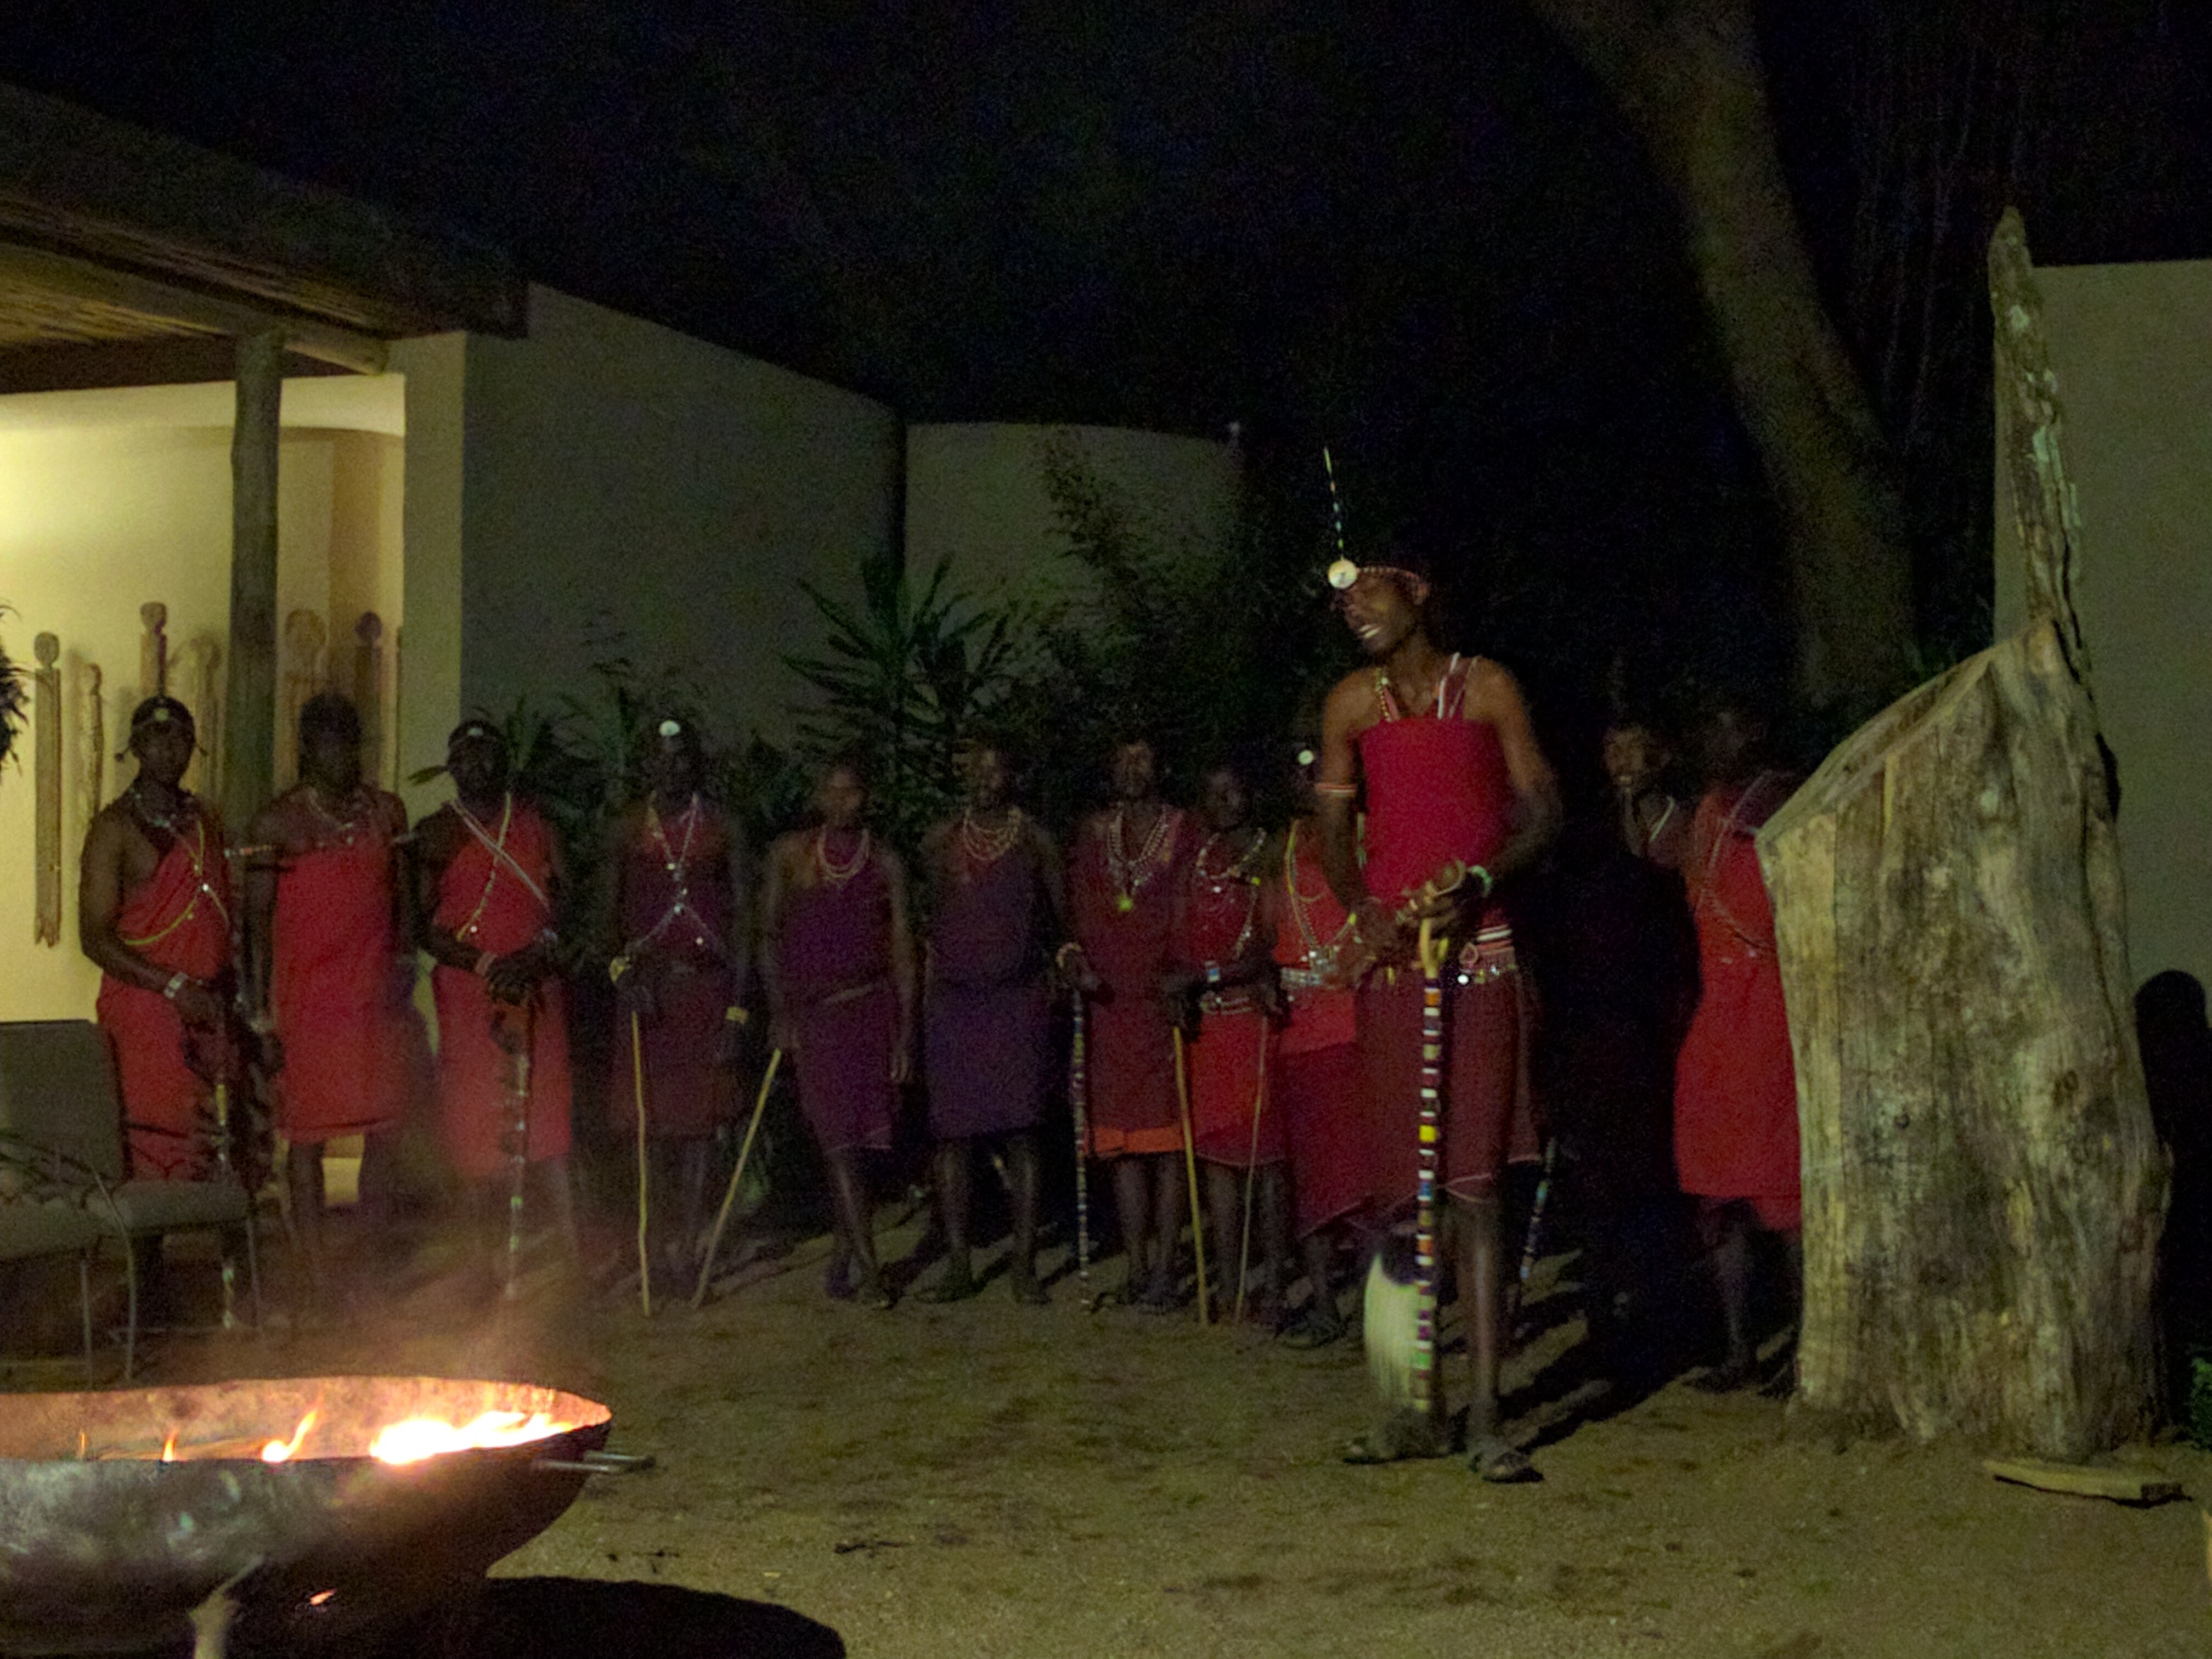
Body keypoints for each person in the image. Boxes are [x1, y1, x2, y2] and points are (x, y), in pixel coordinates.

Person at [1315, 551, 1561, 1479]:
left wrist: (1483, 881)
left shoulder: (1487, 687)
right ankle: (1401, 1403)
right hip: (1393, 967)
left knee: (1474, 1191)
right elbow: (1334, 832)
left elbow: (1542, 811)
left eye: (1368, 591)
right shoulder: (1350, 705)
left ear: (1416, 590)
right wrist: (1364, 906)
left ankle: (1488, 1412)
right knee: (1394, 1200)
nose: (1353, 610)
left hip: (1479, 955)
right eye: (1339, 603)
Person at [245, 692, 422, 1280]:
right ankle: (314, 1272)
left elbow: (407, 900)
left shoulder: (386, 814)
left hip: (374, 1004)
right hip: (309, 1010)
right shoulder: (276, 824)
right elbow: (255, 930)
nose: (343, 755)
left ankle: (371, 1262)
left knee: (384, 1133)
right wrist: (260, 1018)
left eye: (351, 741)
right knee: (307, 1141)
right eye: (329, 742)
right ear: (306, 748)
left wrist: (404, 968)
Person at [414, 719, 578, 1278]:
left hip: (538, 987)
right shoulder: (436, 833)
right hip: (469, 993)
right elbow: (422, 925)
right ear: (451, 765)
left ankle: (575, 1254)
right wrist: (486, 963)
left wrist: (536, 955)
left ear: (504, 763)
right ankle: (481, 1261)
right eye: (465, 754)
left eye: (487, 754)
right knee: (473, 1122)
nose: (476, 764)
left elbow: (567, 905)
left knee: (550, 1120)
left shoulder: (539, 827)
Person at [1672, 697, 1802, 1393]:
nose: (1714, 735)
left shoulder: (1782, 800)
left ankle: (1806, 1352)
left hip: (1772, 1011)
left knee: (1784, 1192)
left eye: (1727, 720)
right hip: (1718, 1012)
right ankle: (1739, 1347)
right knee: (1716, 1192)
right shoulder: (1708, 811)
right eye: (1710, 722)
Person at [763, 754, 914, 1307]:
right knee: (839, 1146)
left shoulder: (885, 862)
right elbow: (769, 938)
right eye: (832, 791)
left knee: (863, 1145)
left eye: (852, 792)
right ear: (818, 796)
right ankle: (872, 1272)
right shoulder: (790, 856)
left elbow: (902, 948)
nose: (842, 802)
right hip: (817, 1019)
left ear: (865, 797)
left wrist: (904, 1033)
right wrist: (780, 1013)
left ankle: (843, 1257)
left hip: (871, 1012)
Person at [918, 738, 1065, 1305]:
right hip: (954, 1003)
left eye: (995, 768)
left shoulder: (1034, 841)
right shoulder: (939, 842)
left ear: (1013, 776)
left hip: (1015, 1000)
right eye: (975, 770)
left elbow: (1059, 919)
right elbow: (931, 921)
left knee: (1023, 1133)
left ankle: (1025, 1267)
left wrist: (1060, 964)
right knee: (952, 1137)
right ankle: (958, 1265)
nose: (985, 780)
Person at [605, 717, 748, 1290]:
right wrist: (620, 975)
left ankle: (687, 1251)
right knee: (650, 1128)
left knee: (697, 1130)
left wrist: (738, 1009)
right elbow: (603, 920)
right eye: (662, 758)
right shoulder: (624, 829)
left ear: (697, 763)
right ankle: (654, 1247)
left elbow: (745, 925)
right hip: (647, 996)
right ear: (646, 765)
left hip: (705, 992)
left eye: (683, 757)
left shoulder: (723, 828)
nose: (673, 768)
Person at [80, 697, 242, 1182]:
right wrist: (172, 988)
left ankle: (215, 1255)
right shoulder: (114, 829)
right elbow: (93, 937)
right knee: (153, 1141)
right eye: (157, 738)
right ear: (136, 747)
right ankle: (148, 1256)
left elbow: (226, 918)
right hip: (147, 1008)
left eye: (181, 739)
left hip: (209, 1006)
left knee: (211, 1141)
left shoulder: (204, 820)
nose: (170, 750)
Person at [1063, 737, 1194, 1312]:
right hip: (1108, 1007)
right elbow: (1078, 910)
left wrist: (1185, 975)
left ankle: (1168, 1268)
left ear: (1161, 767)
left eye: (1144, 758)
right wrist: (1073, 959)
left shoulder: (1185, 830)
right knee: (1120, 1145)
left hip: (1162, 1004)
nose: (1133, 768)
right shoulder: (1095, 833)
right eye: (1123, 759)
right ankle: (1138, 1267)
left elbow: (1196, 904)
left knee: (1166, 1145)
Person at [1163, 757, 1288, 1322]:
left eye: (1234, 790)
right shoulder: (1194, 864)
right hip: (1208, 1028)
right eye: (1214, 794)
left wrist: (1204, 978)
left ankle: (1275, 1287)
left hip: (1254, 1022)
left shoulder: (1271, 857)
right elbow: (1177, 941)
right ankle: (1233, 1282)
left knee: (1267, 1159)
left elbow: (1268, 948)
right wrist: (1178, 988)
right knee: (1216, 1157)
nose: (1226, 804)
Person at [1272, 742, 1372, 1347]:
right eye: (1302, 771)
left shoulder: (1368, 835)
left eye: (1322, 771)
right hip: (1298, 1030)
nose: (1310, 782)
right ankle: (1326, 1307)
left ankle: (1368, 1307)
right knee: (1310, 1179)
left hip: (1356, 1027)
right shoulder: (1279, 847)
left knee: (1360, 1180)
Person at [1603, 716, 1691, 870]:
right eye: (1614, 751)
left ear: (1662, 756)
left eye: (1635, 748)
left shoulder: (1688, 823)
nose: (1624, 761)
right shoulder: (1602, 825)